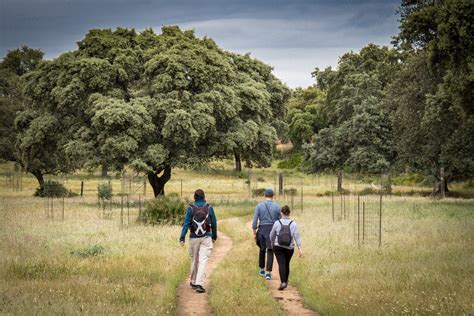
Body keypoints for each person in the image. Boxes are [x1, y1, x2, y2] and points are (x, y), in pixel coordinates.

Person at [179, 189, 217, 293]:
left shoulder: (190, 208)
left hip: (193, 237)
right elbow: (214, 222)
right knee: (203, 260)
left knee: (194, 259)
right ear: (204, 197)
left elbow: (186, 223)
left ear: (194, 197)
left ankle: (193, 281)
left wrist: (182, 238)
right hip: (206, 237)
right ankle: (199, 284)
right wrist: (214, 236)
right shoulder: (209, 208)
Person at [270, 205, 303, 290]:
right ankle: (285, 280)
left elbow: (271, 235)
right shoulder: (293, 224)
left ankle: (283, 282)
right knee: (287, 264)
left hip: (278, 247)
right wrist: (299, 248)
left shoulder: (277, 223)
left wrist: (272, 242)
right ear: (289, 213)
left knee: (281, 263)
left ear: (281, 213)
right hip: (289, 248)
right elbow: (297, 236)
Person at [252, 188, 281, 280]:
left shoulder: (259, 206)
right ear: (273, 196)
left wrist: (254, 233)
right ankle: (268, 273)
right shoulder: (278, 207)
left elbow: (255, 221)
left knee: (262, 249)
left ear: (264, 195)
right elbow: (280, 221)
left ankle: (261, 269)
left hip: (261, 230)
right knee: (270, 250)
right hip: (272, 230)